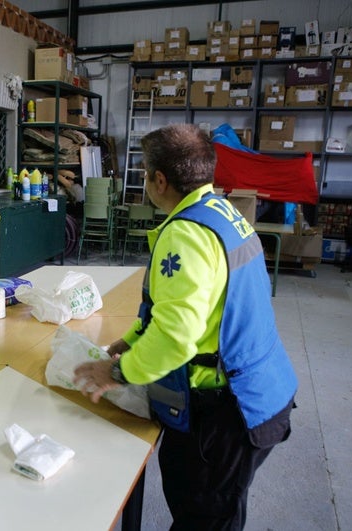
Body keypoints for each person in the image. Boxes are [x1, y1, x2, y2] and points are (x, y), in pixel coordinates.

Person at [73, 123, 296, 530]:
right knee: (218, 509)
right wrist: (133, 340)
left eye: (144, 175)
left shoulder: (185, 234)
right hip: (262, 383)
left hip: (230, 407)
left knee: (204, 514)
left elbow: (177, 337)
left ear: (159, 180)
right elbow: (190, 309)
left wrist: (116, 371)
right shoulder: (221, 212)